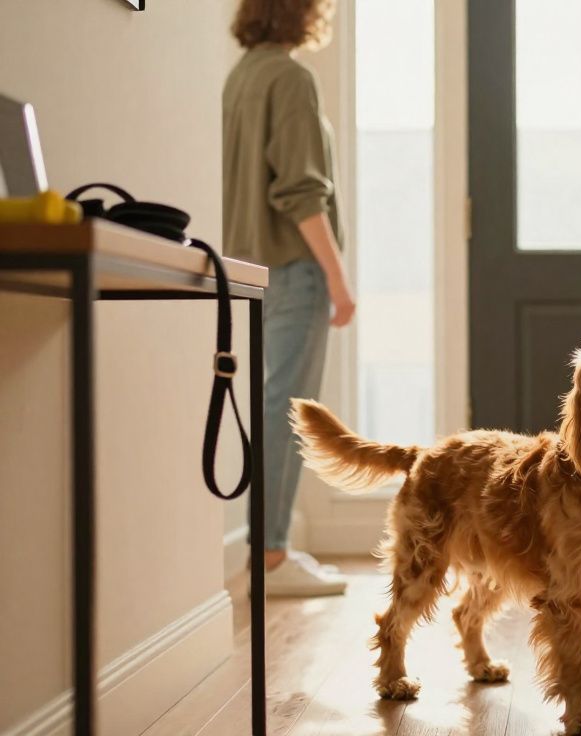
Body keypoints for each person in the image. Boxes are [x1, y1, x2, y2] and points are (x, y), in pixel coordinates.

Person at [223, 0, 354, 596]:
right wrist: (336, 276)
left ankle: (267, 549)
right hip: (294, 267)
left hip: (248, 268)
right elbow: (301, 192)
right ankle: (271, 555)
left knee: (271, 404)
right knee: (288, 409)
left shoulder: (242, 75)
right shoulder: (291, 77)